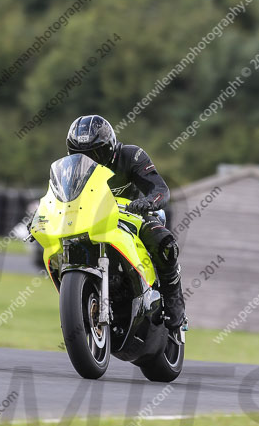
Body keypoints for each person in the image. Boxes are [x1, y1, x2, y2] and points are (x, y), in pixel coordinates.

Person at [66, 114, 188, 331]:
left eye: (96, 153)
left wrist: (148, 202)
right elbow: (58, 195)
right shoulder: (70, 170)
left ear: (110, 146)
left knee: (164, 243)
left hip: (132, 215)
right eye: (80, 154)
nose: (89, 160)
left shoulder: (131, 155)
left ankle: (174, 302)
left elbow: (159, 189)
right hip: (90, 219)